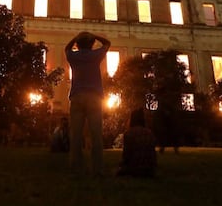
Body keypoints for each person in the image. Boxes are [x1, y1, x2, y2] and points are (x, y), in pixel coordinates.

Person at [65, 31, 111, 177]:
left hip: (77, 96)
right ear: (91, 44)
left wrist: (76, 37)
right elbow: (107, 43)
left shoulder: (74, 56)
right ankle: (97, 169)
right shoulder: (95, 55)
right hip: (94, 97)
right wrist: (94, 35)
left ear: (78, 44)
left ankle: (75, 167)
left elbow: (67, 48)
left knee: (76, 135)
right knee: (96, 134)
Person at [117, 108, 157, 177]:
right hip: (149, 170)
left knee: (120, 171)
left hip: (134, 169)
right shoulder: (149, 133)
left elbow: (126, 156)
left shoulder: (128, 133)